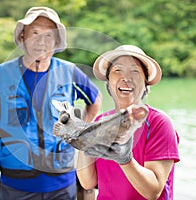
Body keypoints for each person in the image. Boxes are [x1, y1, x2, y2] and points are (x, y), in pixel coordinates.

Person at [0, 6, 101, 200]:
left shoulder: (70, 72)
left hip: (62, 183)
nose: (41, 42)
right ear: (22, 37)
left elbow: (95, 100)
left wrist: (78, 130)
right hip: (16, 186)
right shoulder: (2, 74)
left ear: (56, 42)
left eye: (48, 36)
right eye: (35, 33)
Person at [76, 45, 180, 200]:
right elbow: (88, 182)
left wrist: (125, 159)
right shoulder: (100, 122)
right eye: (118, 70)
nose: (126, 78)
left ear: (146, 83)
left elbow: (153, 191)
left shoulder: (159, 122)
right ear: (109, 81)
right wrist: (81, 140)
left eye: (135, 71)